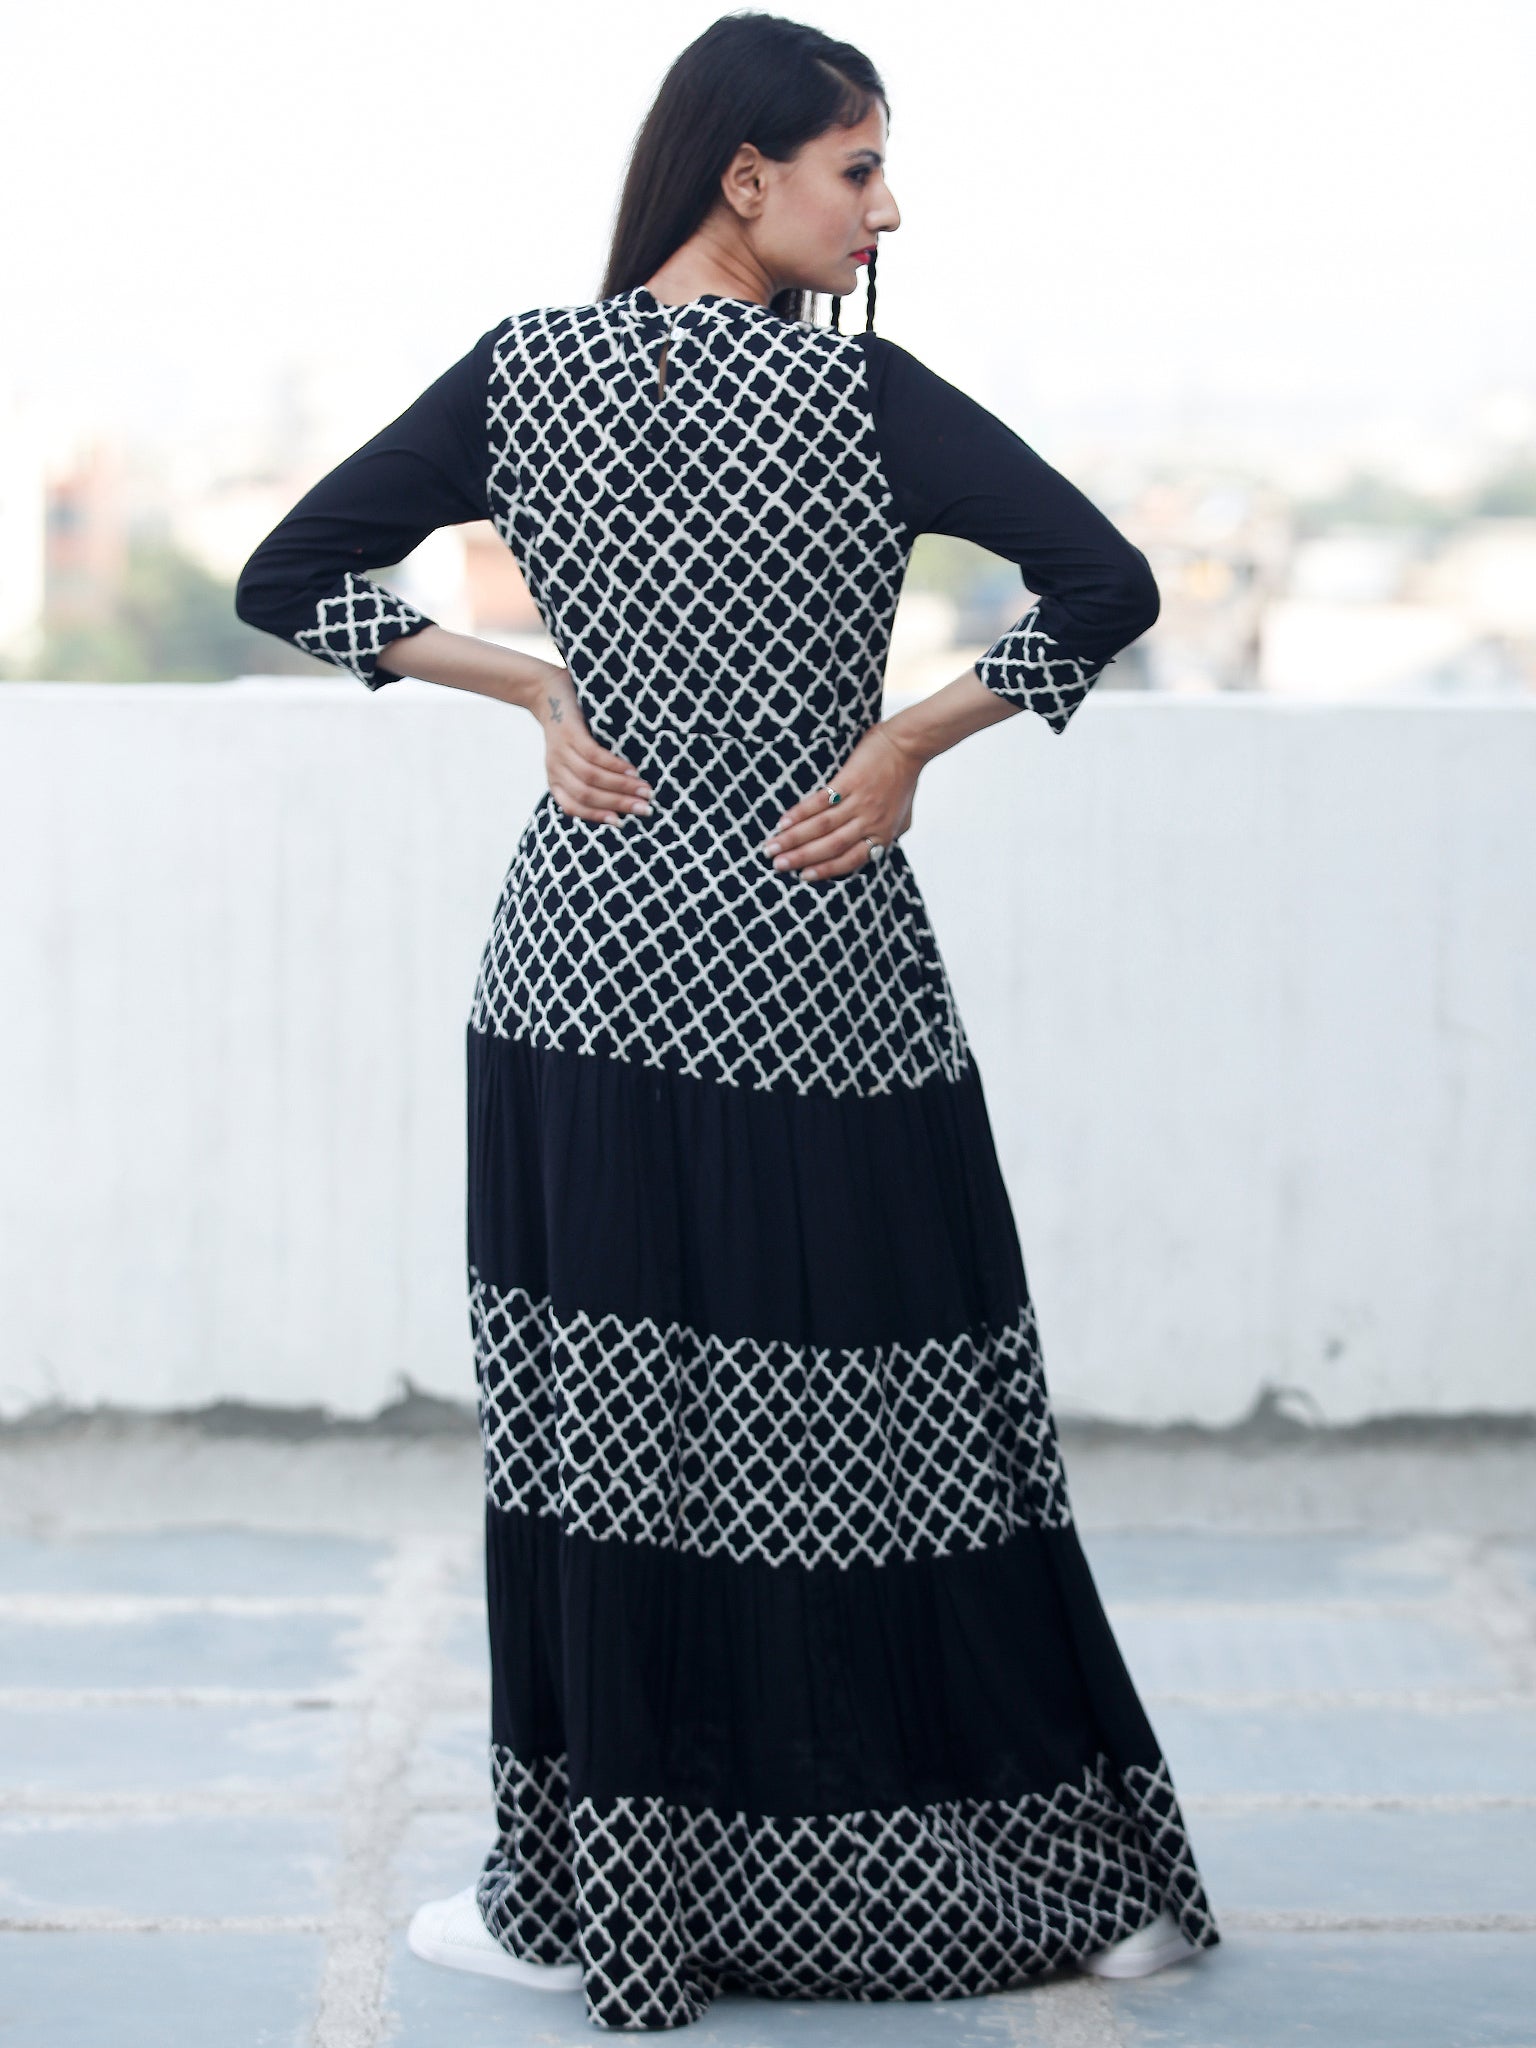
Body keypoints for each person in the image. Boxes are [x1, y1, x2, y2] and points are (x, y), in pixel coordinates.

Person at [235, 11, 1220, 2031]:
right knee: (909, 1422)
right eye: (860, 167)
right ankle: (1055, 1866)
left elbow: (291, 573)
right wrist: (911, 742)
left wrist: (531, 682)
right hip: (814, 958)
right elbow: (1104, 582)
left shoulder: (524, 371)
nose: (889, 209)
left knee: (602, 1439)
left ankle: (584, 1890)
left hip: (587, 960)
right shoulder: (866, 399)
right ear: (743, 174)